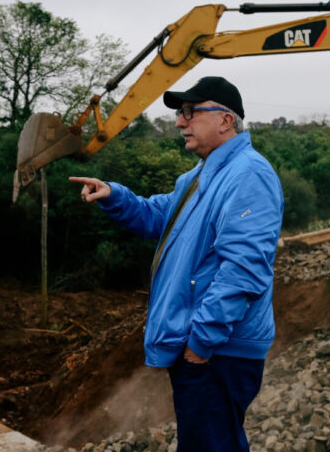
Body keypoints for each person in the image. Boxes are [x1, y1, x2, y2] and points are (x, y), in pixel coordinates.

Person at [70, 76, 284, 451]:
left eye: (189, 112)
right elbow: (159, 216)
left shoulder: (248, 175)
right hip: (208, 345)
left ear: (225, 121)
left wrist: (200, 344)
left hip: (218, 350)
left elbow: (244, 270)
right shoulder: (201, 176)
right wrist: (113, 196)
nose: (179, 122)